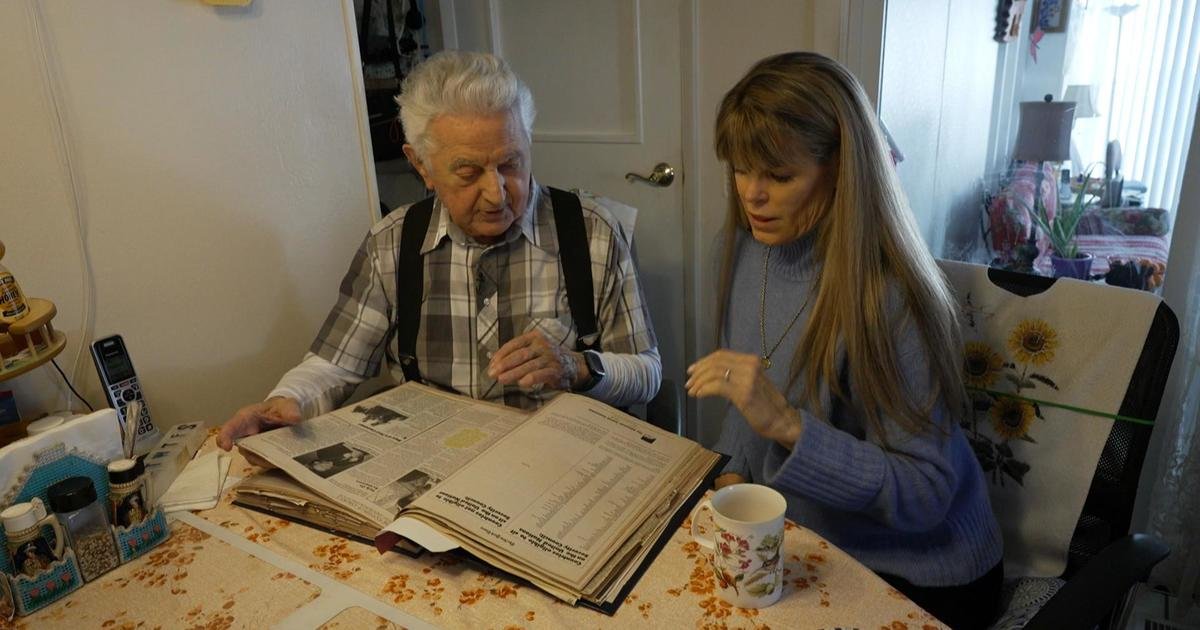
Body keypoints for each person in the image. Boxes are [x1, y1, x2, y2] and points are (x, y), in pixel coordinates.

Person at [685, 52, 1003, 629]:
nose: (751, 195)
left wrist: (788, 427)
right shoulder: (739, 251)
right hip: (811, 542)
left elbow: (929, 492)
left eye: (779, 176)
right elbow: (747, 391)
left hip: (921, 571)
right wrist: (730, 483)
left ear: (843, 171)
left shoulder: (892, 296)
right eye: (739, 168)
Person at [217, 51, 660, 451]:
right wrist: (285, 401)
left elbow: (648, 375)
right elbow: (335, 363)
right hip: (436, 466)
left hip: (561, 459)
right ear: (421, 166)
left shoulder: (591, 233)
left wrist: (578, 367)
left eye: (511, 163)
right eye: (468, 172)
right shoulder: (393, 244)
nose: (496, 194)